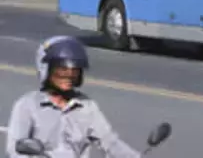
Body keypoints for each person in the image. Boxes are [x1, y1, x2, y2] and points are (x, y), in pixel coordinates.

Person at [6, 35, 140, 158]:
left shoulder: (86, 106)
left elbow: (110, 142)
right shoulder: (28, 106)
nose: (69, 76)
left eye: (74, 71)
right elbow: (15, 151)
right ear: (46, 69)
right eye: (62, 70)